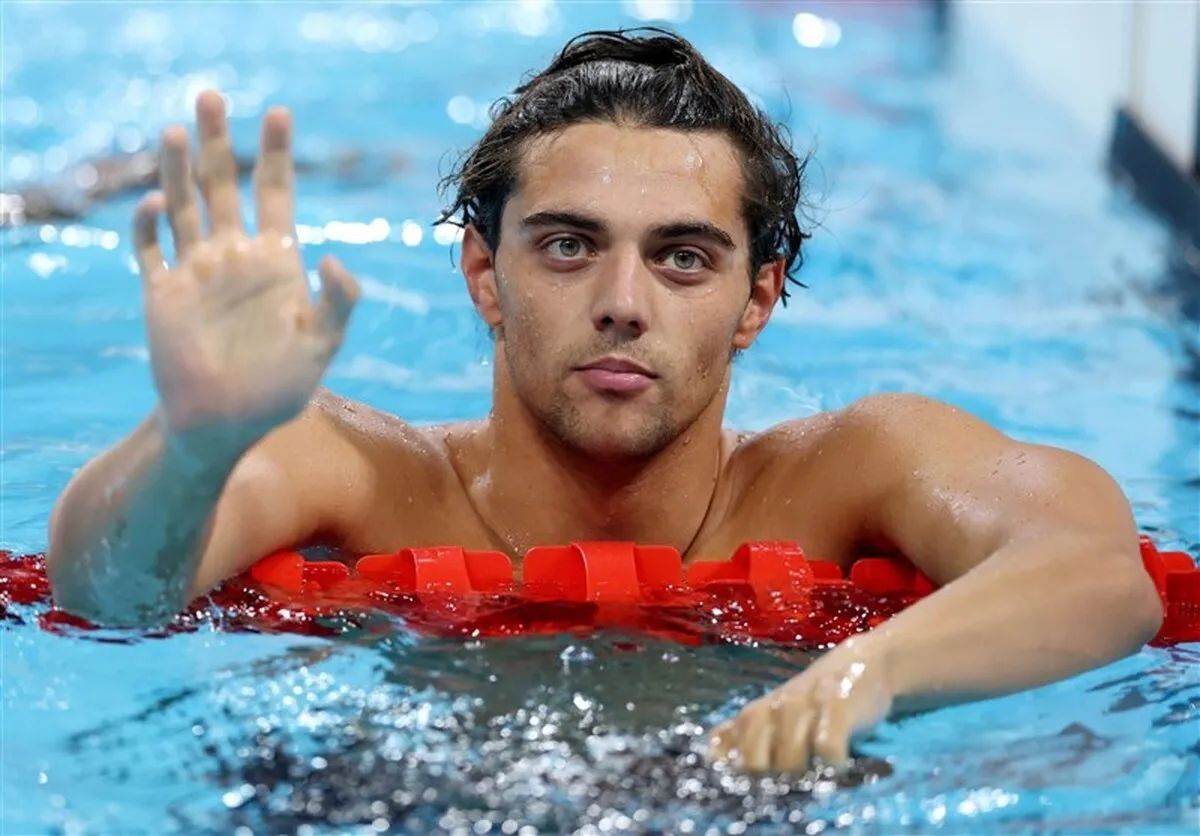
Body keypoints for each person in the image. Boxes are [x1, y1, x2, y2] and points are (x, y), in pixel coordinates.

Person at [46, 28, 1162, 775]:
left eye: (683, 257)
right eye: (569, 246)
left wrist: (869, 675)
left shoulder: (853, 471)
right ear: (486, 273)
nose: (623, 304)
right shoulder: (351, 471)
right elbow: (109, 592)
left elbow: (1099, 571)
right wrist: (193, 444)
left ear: (757, 298)